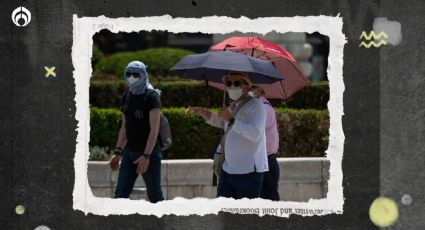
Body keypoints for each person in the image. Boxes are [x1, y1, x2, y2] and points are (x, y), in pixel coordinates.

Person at [187, 72, 268, 199]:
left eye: (236, 83)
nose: (232, 86)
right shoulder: (233, 105)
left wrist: (231, 120)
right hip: (228, 170)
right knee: (223, 214)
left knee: (246, 216)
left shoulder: (256, 106)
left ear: (247, 86)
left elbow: (255, 134)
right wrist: (202, 112)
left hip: (248, 172)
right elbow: (221, 122)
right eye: (229, 83)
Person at [109, 61, 164, 203]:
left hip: (148, 154)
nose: (131, 77)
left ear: (144, 75)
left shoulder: (151, 96)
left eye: (136, 74)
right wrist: (117, 152)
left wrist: (146, 156)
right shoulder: (126, 96)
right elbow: (124, 127)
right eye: (128, 74)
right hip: (129, 152)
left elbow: (154, 129)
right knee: (120, 195)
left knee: (155, 197)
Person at [250, 85, 280, 201]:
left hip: (266, 162)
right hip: (263, 161)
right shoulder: (259, 107)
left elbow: (254, 133)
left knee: (269, 202)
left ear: (259, 90)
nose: (248, 91)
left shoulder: (263, 108)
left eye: (251, 88)